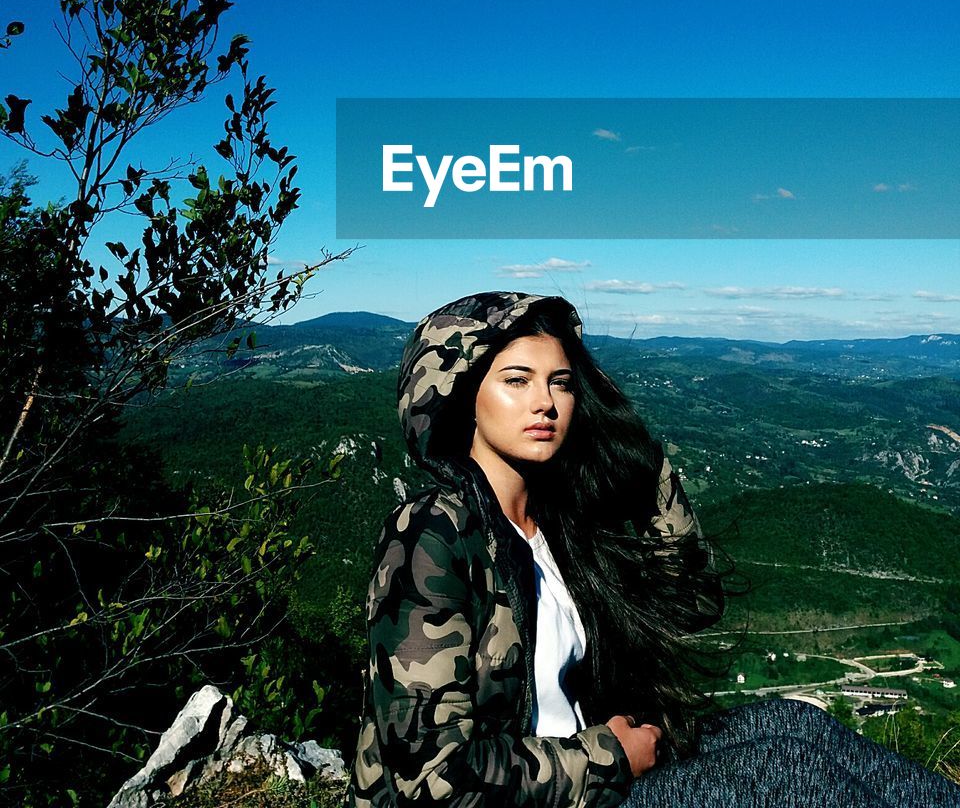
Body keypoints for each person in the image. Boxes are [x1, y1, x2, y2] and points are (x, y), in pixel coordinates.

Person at [346, 290, 960, 808]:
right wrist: (610, 756)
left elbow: (694, 600)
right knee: (787, 772)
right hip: (562, 788)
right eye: (516, 380)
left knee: (793, 723)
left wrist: (645, 461)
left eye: (561, 382)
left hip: (587, 773)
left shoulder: (559, 525)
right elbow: (429, 776)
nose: (546, 402)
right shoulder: (433, 532)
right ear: (462, 399)